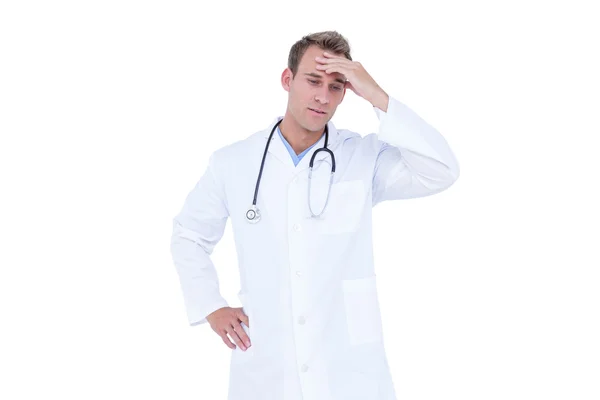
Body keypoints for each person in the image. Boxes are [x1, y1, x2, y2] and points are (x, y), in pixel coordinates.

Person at [170, 30, 459, 400]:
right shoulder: (233, 162)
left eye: (338, 86)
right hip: (267, 370)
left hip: (347, 370)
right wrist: (210, 306)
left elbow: (441, 170)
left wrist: (376, 94)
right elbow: (189, 235)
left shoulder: (361, 157)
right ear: (287, 80)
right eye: (313, 80)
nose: (324, 96)